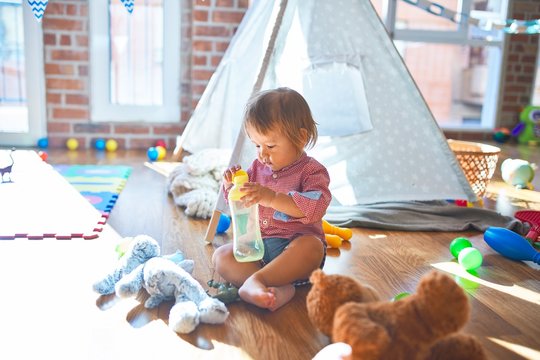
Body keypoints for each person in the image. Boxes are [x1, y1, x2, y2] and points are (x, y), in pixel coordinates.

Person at [212, 87, 331, 311]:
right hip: (259, 249)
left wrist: (272, 197)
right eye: (257, 145)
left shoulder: (311, 171)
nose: (262, 154)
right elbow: (244, 210)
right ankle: (272, 286)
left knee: (312, 247)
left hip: (295, 252)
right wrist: (233, 191)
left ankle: (257, 281)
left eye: (270, 146)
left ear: (300, 137)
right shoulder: (257, 168)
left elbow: (315, 208)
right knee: (221, 257)